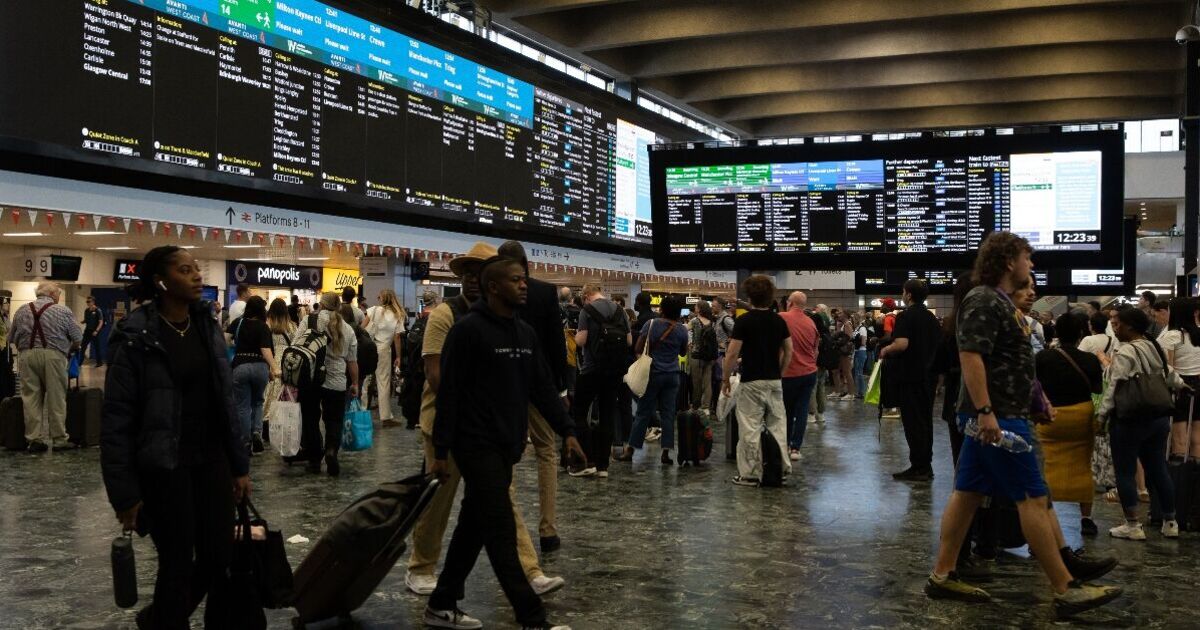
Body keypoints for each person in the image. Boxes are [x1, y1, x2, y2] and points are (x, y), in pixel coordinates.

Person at [925, 232, 1122, 617]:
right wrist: (985, 412)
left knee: (966, 493)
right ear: (1007, 261)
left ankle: (942, 575)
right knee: (1031, 496)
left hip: (1002, 412)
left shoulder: (1000, 303)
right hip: (999, 417)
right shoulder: (983, 299)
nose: (1031, 266)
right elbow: (971, 357)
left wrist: (1036, 397)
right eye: (1026, 259)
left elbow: (1009, 361)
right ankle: (1064, 588)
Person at [425, 256, 584, 630]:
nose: (524, 285)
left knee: (473, 526)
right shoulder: (468, 331)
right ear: (494, 286)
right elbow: (449, 394)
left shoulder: (524, 334)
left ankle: (441, 604)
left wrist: (569, 430)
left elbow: (543, 389)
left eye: (524, 279)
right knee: (499, 532)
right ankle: (533, 619)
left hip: (507, 445)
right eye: (516, 280)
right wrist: (442, 451)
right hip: (474, 444)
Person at [101, 246, 251, 628]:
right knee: (177, 561)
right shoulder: (135, 335)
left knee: (219, 555)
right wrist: (124, 494)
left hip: (211, 458)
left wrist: (238, 465)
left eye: (197, 269)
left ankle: (159, 619)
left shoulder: (206, 326)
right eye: (186, 270)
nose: (197, 275)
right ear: (161, 281)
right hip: (165, 466)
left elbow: (225, 401)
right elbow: (117, 418)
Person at [498, 240, 572, 552]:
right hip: (540, 384)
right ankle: (548, 529)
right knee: (546, 451)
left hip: (505, 383)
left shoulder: (496, 291)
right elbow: (557, 342)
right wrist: (562, 388)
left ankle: (509, 528)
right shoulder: (544, 292)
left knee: (505, 456)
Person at [1099, 307, 1185, 540]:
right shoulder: (1153, 345)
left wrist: (1101, 417)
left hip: (1130, 418)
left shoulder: (1126, 352)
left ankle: (1133, 524)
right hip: (1158, 417)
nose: (1115, 329)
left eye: (1118, 325)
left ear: (1129, 326)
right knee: (1158, 468)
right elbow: (1170, 374)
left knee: (1125, 471)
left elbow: (1114, 388)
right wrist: (1183, 386)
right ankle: (1170, 521)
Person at [1035, 311, 1104, 536]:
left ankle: (1046, 512)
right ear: (1081, 333)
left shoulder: (1043, 358)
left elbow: (1035, 388)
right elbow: (1097, 390)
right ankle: (1086, 518)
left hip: (1050, 417)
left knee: (1047, 464)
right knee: (1082, 465)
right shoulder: (1091, 359)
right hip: (1081, 417)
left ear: (1056, 332)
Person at [723, 275, 792, 487]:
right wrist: (780, 371)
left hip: (751, 381)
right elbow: (789, 350)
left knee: (749, 427)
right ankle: (780, 468)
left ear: (750, 296)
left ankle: (751, 474)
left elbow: (733, 353)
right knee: (778, 426)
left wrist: (725, 378)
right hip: (774, 380)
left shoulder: (744, 321)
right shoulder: (779, 320)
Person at [878, 279, 942, 481]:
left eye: (903, 292)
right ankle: (926, 464)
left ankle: (918, 466)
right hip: (928, 376)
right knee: (925, 421)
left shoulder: (906, 316)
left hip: (910, 376)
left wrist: (886, 349)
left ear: (909, 295)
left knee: (913, 422)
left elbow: (902, 344)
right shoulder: (931, 318)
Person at [10, 281, 82, 452]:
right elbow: (77, 337)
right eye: (58, 294)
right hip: (54, 356)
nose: (59, 297)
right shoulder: (62, 310)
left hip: (26, 356)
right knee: (56, 397)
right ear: (52, 294)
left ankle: (34, 439)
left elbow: (11, 337)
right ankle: (59, 439)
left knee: (30, 397)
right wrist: (69, 349)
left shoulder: (22, 310)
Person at [292, 292, 359, 476]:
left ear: (321, 305)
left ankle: (314, 460)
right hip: (336, 381)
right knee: (334, 421)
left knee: (311, 420)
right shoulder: (347, 329)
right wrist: (355, 383)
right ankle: (331, 451)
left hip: (311, 379)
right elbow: (352, 361)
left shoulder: (309, 320)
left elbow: (296, 344)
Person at [617, 295, 689, 464]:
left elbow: (638, 347)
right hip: (672, 376)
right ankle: (666, 453)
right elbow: (683, 353)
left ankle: (630, 451)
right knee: (668, 414)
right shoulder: (682, 330)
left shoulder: (651, 325)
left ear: (662, 309)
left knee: (643, 412)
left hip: (653, 374)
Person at [569, 284, 631, 477]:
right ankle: (603, 467)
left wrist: (571, 337)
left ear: (586, 296)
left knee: (577, 413)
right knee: (607, 415)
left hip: (591, 369)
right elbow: (628, 341)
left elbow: (581, 340)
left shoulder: (586, 310)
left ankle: (587, 460)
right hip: (613, 372)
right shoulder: (621, 311)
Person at [226, 296, 279, 454]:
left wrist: (234, 344)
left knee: (242, 406)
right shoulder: (263, 327)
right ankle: (256, 433)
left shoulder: (238, 323)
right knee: (258, 403)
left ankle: (246, 442)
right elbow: (266, 350)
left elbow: (225, 339)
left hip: (240, 366)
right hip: (260, 367)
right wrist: (274, 369)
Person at [780, 291, 819, 462]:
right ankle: (796, 448)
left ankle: (786, 444)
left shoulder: (782, 317)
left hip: (789, 372)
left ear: (789, 303)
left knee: (787, 411)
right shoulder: (811, 322)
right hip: (809, 372)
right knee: (802, 410)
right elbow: (815, 350)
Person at [1161, 297, 1200, 459]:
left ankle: (1180, 479)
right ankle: (1196, 478)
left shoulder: (1173, 336)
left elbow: (1168, 367)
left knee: (1179, 438)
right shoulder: (1198, 334)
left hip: (1180, 386)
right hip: (1198, 384)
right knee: (1197, 437)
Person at [362, 289, 407, 425]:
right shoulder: (398, 315)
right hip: (384, 350)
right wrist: (398, 356)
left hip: (370, 349)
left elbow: (362, 328)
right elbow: (397, 337)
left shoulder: (373, 310)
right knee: (384, 383)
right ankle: (385, 417)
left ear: (382, 298)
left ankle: (361, 411)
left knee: (366, 380)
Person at [262, 297, 297, 437]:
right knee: (283, 393)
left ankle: (265, 423)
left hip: (271, 361)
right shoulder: (292, 326)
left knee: (268, 394)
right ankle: (281, 423)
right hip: (287, 362)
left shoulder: (267, 325)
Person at [687, 300, 718, 419]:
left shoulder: (694, 321)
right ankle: (706, 407)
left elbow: (686, 332)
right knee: (707, 381)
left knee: (696, 382)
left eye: (696, 306)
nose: (694, 308)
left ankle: (696, 406)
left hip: (696, 355)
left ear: (699, 309)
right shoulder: (712, 322)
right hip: (709, 356)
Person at [81, 295, 105, 367]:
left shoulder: (98, 310)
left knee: (97, 347)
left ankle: (99, 362)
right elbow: (86, 319)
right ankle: (80, 362)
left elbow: (101, 322)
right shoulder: (87, 310)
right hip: (87, 331)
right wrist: (83, 321)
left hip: (95, 331)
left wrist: (96, 331)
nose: (87, 303)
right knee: (83, 347)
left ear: (93, 302)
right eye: (87, 302)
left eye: (89, 301)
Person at [851, 312, 870, 397]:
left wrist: (855, 343)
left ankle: (861, 392)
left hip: (861, 351)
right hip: (857, 351)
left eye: (853, 319)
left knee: (859, 372)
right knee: (857, 372)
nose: (852, 320)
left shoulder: (862, 328)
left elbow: (863, 342)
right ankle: (858, 391)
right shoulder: (857, 328)